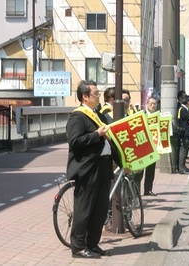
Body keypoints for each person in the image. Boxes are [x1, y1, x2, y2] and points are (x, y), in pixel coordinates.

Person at [66, 80, 121, 259]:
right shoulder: (78, 116)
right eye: (95, 94)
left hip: (103, 167)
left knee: (100, 209)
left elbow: (111, 142)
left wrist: (122, 164)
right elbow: (75, 142)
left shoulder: (99, 115)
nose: (98, 96)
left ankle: (92, 244)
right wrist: (96, 134)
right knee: (84, 209)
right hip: (87, 169)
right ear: (85, 97)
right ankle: (78, 247)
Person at [142, 96, 158, 196]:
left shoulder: (157, 116)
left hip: (153, 145)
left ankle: (148, 190)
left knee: (151, 170)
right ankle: (136, 192)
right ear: (147, 104)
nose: (153, 105)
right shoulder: (142, 115)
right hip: (143, 145)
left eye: (154, 104)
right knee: (139, 171)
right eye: (151, 103)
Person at [177, 94, 189, 175]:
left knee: (185, 150)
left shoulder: (184, 109)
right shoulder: (183, 109)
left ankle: (183, 166)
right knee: (183, 150)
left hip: (186, 132)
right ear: (188, 102)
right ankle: (181, 168)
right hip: (184, 133)